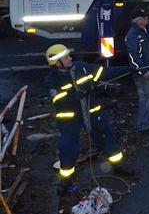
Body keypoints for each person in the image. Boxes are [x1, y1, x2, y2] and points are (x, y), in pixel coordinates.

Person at [43, 44, 129, 193]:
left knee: (106, 136)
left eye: (68, 55)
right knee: (68, 148)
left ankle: (117, 165)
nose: (70, 58)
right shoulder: (51, 81)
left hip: (93, 112)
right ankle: (66, 181)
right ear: (57, 63)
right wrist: (81, 91)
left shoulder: (81, 67)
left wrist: (128, 69)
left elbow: (103, 72)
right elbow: (59, 100)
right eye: (66, 57)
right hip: (70, 119)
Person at [124, 9, 149, 133]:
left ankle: (148, 119)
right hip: (144, 71)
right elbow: (133, 56)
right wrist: (142, 70)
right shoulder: (132, 35)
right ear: (138, 20)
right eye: (145, 17)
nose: (148, 19)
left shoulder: (147, 29)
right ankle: (143, 125)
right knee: (145, 97)